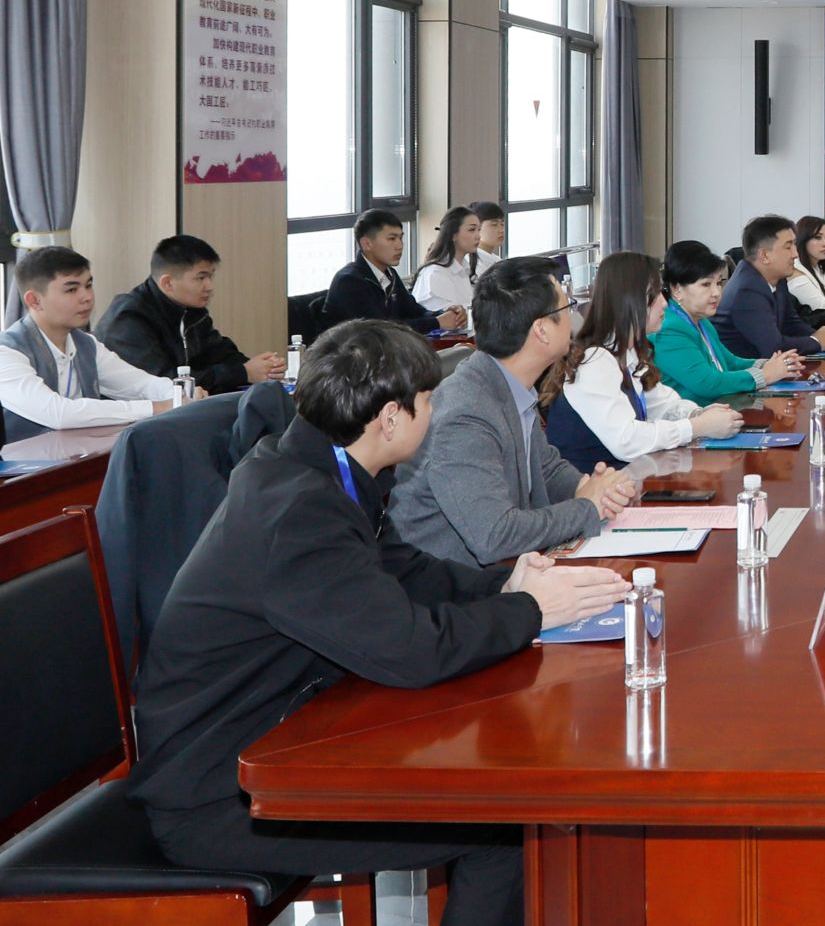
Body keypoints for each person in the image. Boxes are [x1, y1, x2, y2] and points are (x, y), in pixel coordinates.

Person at [130, 318, 629, 926]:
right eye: (428, 401)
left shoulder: (321, 467)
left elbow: (407, 570)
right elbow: (412, 651)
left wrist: (509, 586)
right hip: (223, 793)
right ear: (391, 418)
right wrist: (531, 611)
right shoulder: (299, 510)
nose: (434, 414)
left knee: (502, 796)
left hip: (283, 734)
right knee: (506, 828)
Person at [390, 256, 639, 565]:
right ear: (541, 330)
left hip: (504, 570)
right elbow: (495, 536)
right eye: (566, 308)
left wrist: (589, 488)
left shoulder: (508, 384)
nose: (573, 317)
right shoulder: (465, 415)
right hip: (454, 584)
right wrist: (588, 507)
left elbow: (546, 468)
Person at [543, 252, 744, 469]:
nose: (664, 304)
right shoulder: (595, 361)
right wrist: (696, 427)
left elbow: (664, 405)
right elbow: (626, 440)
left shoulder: (626, 353)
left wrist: (699, 414)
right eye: (654, 295)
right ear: (629, 300)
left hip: (628, 478)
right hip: (593, 484)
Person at [0, 246, 182, 440]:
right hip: (22, 459)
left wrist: (180, 395)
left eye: (88, 286)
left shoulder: (86, 344)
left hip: (79, 455)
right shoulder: (7, 352)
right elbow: (59, 414)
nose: (87, 297)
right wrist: (156, 408)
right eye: (71, 289)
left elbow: (140, 384)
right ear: (35, 300)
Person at [100, 234, 286, 394]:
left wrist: (262, 367)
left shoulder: (191, 310)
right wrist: (243, 373)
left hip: (186, 407)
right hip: (139, 415)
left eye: (211, 276)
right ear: (167, 283)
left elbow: (219, 353)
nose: (209, 286)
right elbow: (165, 383)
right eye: (201, 278)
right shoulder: (129, 319)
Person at [652, 241, 803, 405]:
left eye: (718, 283)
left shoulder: (702, 321)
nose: (716, 293)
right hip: (696, 417)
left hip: (720, 411)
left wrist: (773, 364)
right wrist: (765, 375)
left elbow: (730, 362)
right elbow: (708, 383)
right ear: (677, 290)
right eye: (706, 284)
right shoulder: (669, 329)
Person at [714, 214, 825, 358]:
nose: (795, 254)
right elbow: (774, 347)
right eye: (788, 247)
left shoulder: (777, 278)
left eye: (794, 245)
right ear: (764, 255)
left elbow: (791, 324)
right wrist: (817, 341)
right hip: (744, 369)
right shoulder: (747, 290)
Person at [326, 208, 466, 334]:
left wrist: (444, 314)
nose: (400, 245)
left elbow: (414, 312)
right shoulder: (350, 281)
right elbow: (381, 331)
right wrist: (436, 322)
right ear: (367, 243)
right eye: (392, 239)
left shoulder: (390, 274)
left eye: (401, 238)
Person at [412, 205, 494, 314]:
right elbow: (449, 318)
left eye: (479, 230)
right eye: (471, 230)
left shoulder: (464, 269)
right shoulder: (436, 273)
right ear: (453, 234)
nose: (478, 236)